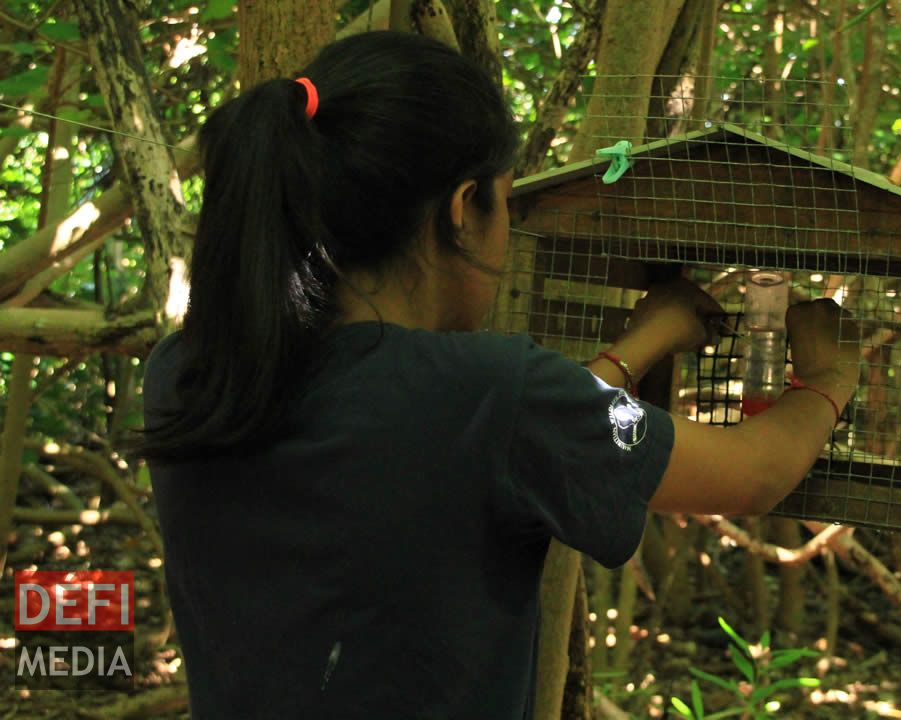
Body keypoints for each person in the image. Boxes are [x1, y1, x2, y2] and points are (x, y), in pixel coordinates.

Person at [140, 31, 860, 719]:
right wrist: (828, 374)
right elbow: (753, 472)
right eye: (506, 206)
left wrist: (640, 344)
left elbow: (467, 440)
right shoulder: (491, 391)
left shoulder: (188, 372)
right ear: (462, 209)